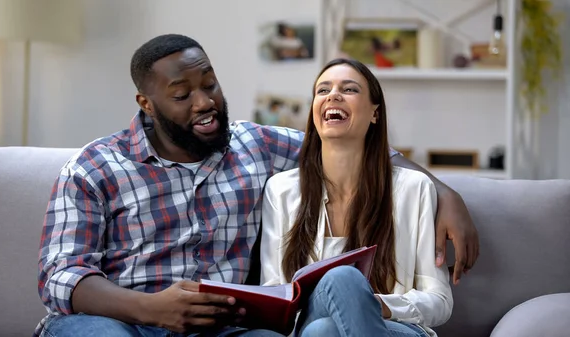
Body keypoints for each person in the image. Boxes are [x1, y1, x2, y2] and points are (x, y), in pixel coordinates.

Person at [36, 34, 476, 337]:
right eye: (182, 94)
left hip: (225, 330)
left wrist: (443, 191)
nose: (205, 101)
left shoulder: (255, 145)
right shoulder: (94, 167)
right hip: (123, 322)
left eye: (210, 85)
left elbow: (347, 143)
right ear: (146, 104)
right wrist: (149, 308)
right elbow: (60, 276)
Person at [259, 58, 453, 337]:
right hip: (309, 326)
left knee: (334, 303)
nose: (333, 95)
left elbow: (440, 302)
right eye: (323, 90)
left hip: (396, 329)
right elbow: (273, 294)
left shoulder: (414, 188)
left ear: (375, 113)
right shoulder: (281, 191)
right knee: (322, 327)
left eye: (349, 89)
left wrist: (370, 304)